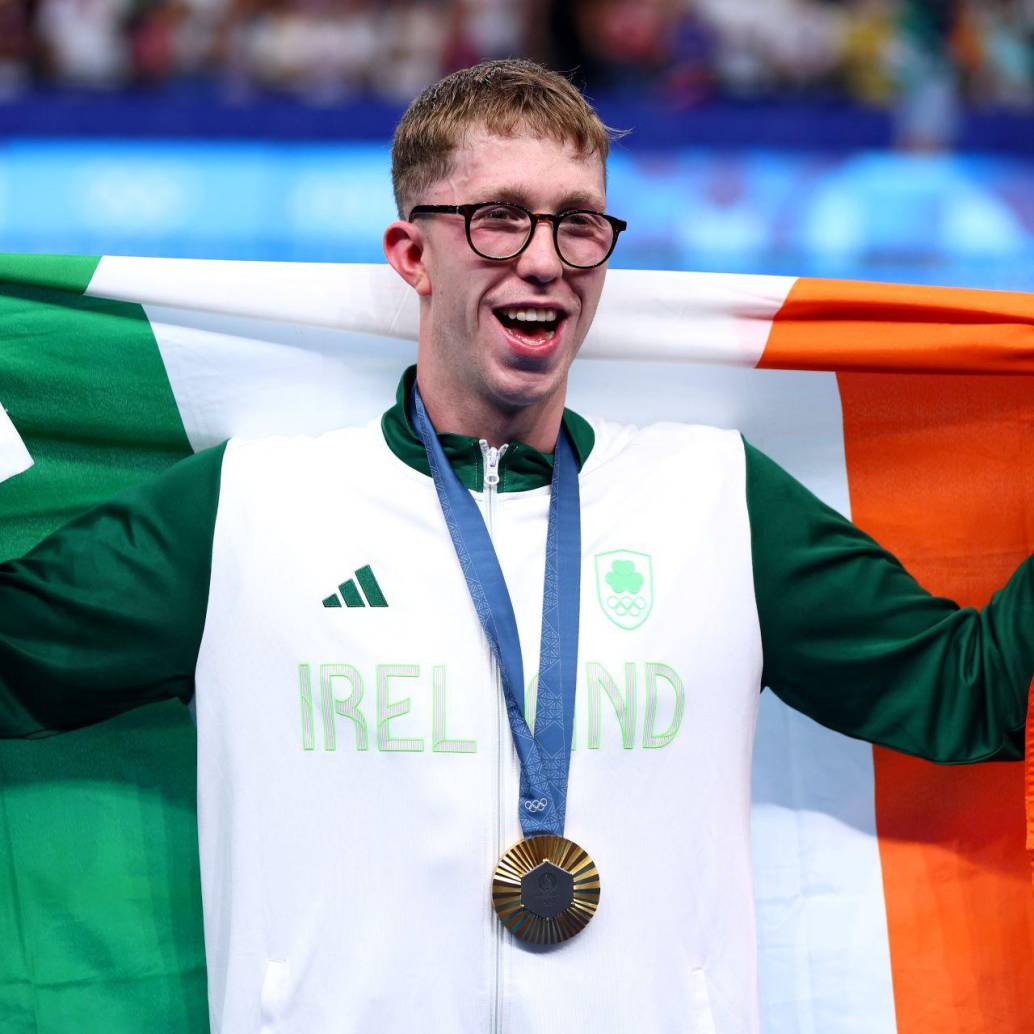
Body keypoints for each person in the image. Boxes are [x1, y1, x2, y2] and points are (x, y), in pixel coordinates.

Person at [0, 59, 1031, 1034]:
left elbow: (965, 689)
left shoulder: (716, 495)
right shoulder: (247, 504)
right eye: (496, 219)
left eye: (577, 224)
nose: (542, 257)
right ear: (412, 252)